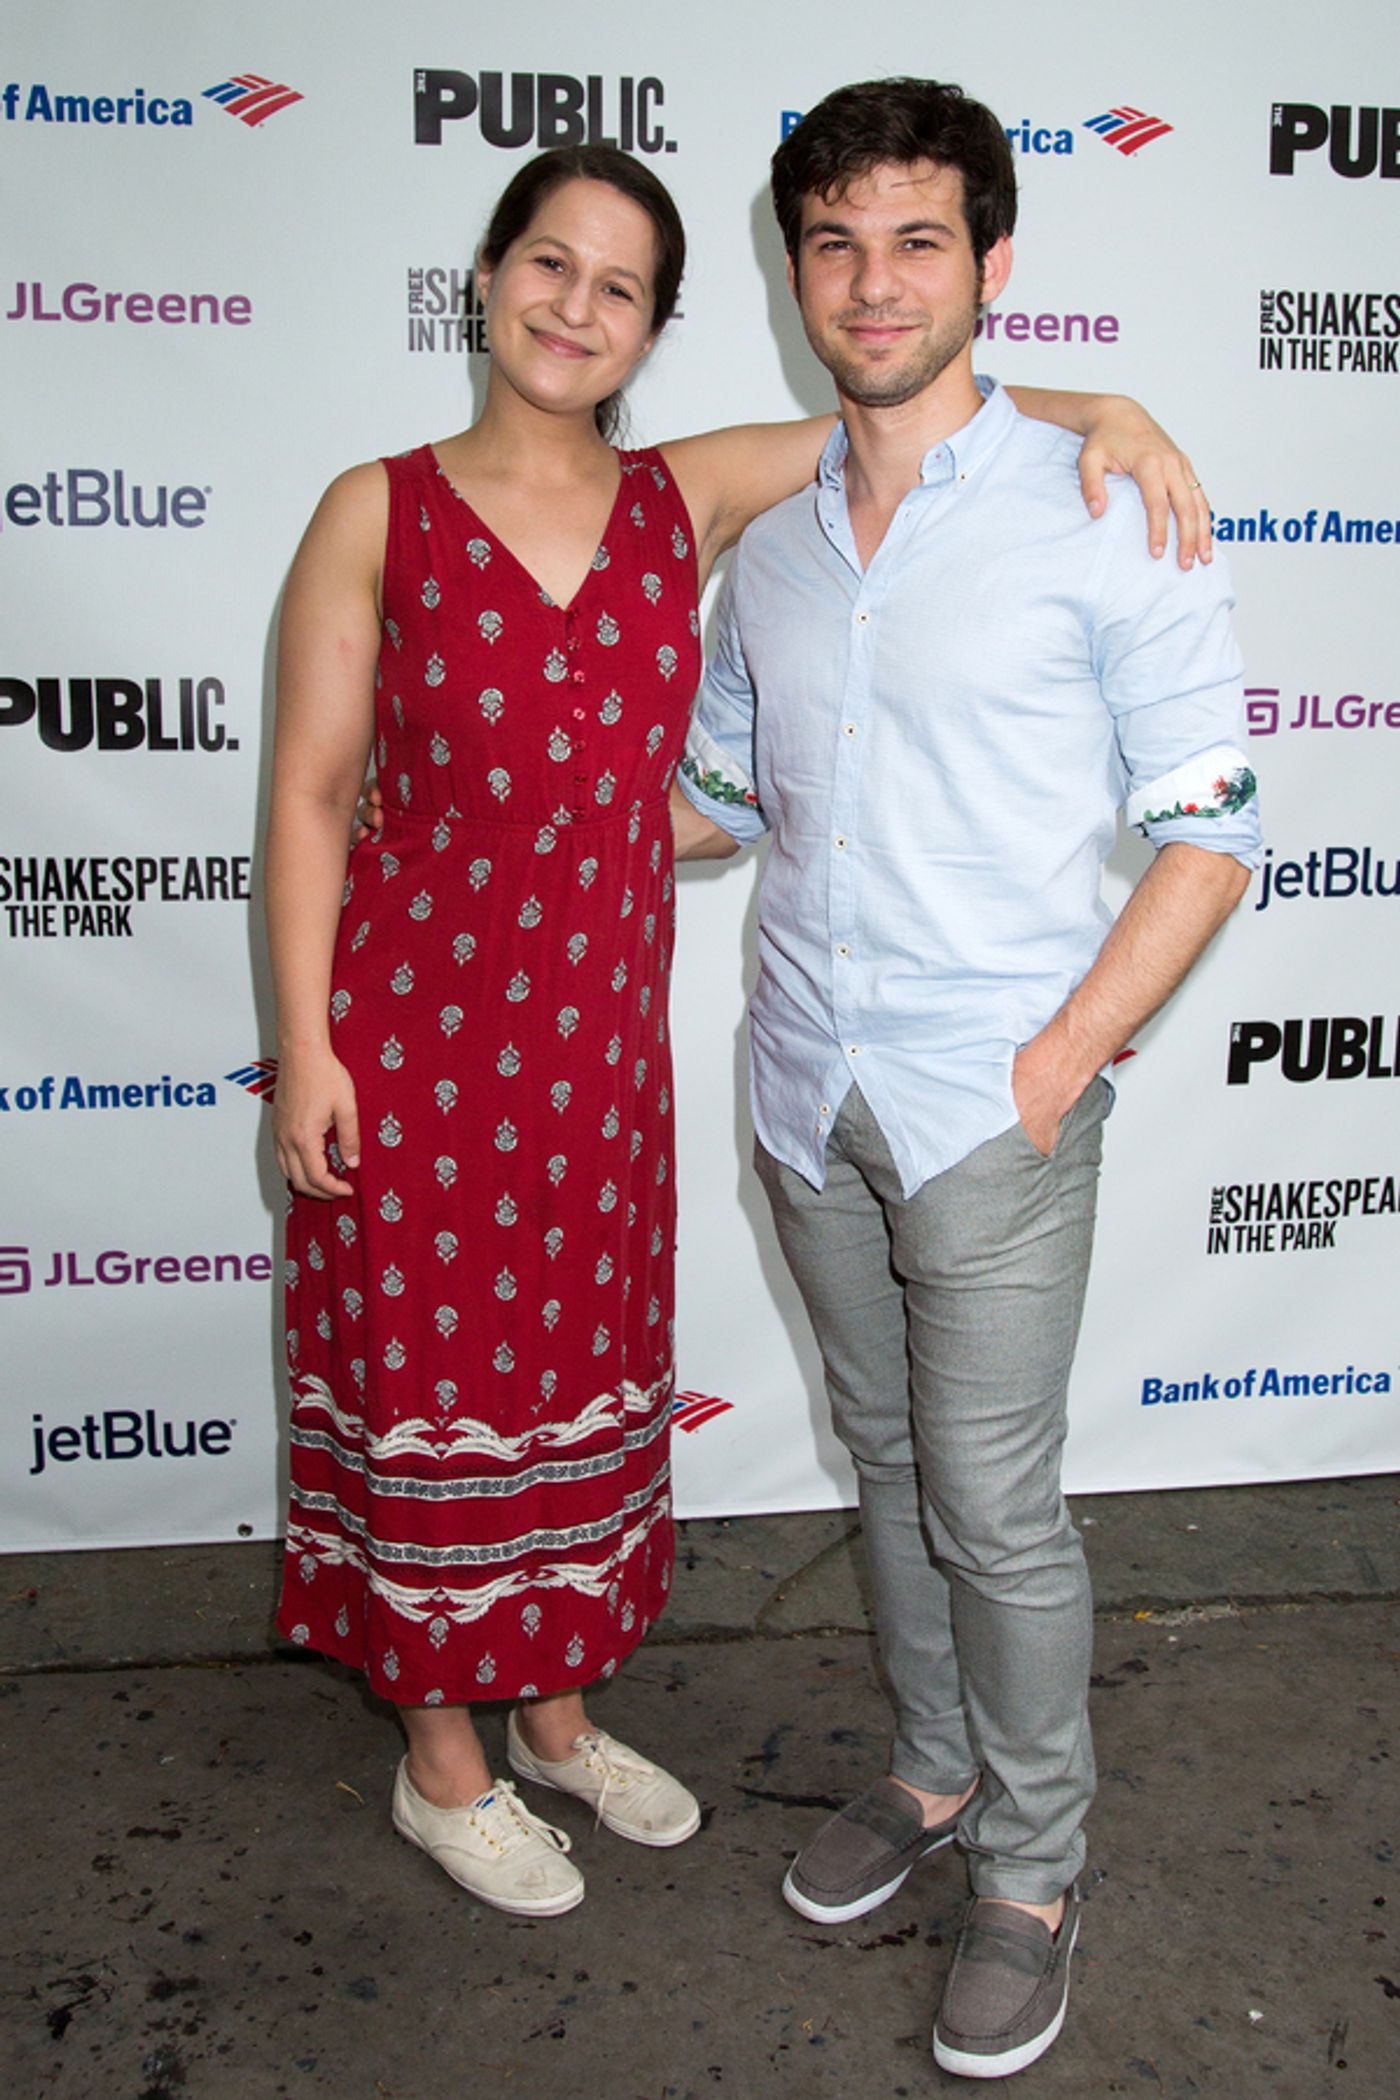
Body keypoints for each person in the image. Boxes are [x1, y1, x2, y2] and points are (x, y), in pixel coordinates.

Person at [265, 141, 1214, 1924]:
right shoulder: (372, 507)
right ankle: (441, 1759)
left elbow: (921, 399)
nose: (573, 307)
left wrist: (1122, 404)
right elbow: (311, 792)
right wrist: (306, 1050)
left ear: (655, 330)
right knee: (431, 1391)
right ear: (487, 277)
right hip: (412, 1041)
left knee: (560, 1382)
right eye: (547, 264)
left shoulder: (678, 498)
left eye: (617, 288)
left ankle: (550, 1713)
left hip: (596, 1051)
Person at [672, 81, 1260, 2079]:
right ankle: (932, 1774)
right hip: (800, 1088)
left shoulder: (1109, 504)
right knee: (890, 1459)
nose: (873, 280)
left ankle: (1029, 1868)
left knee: (998, 1509)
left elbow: (1207, 830)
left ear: (993, 269)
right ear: (793, 271)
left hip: (989, 1106)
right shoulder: (765, 549)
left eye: (917, 240)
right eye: (834, 242)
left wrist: (1059, 1060)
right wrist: (505, 813)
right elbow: (718, 800)